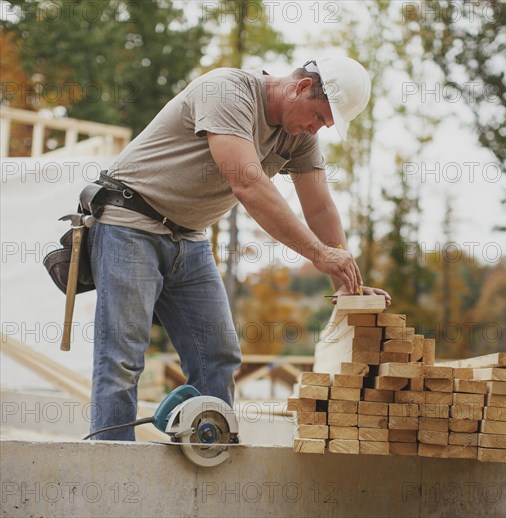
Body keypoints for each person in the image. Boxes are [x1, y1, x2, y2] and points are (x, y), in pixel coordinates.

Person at [86, 55, 391, 440]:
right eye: (317, 116)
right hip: (129, 221)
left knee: (217, 356)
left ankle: (210, 456)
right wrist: (319, 255)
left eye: (324, 125)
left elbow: (320, 206)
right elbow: (247, 184)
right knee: (123, 357)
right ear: (300, 87)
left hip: (188, 236)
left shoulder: (300, 135)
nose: (316, 129)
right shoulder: (228, 91)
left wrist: (346, 283)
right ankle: (113, 471)